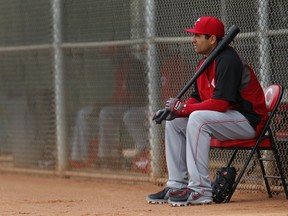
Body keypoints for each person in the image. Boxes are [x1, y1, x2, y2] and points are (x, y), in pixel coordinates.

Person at [147, 16, 269, 206]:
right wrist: (178, 111)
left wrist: (186, 108)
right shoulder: (205, 62)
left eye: (197, 35)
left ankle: (200, 189)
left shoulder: (228, 60)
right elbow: (198, 97)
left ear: (212, 39)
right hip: (227, 119)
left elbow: (220, 104)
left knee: (197, 118)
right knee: (175, 121)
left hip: (249, 121)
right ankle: (177, 184)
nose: (193, 39)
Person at [98, 46, 148, 166]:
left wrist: (114, 103)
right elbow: (118, 96)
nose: (112, 59)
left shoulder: (135, 66)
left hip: (137, 106)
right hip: (125, 106)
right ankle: (106, 156)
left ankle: (145, 151)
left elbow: (136, 99)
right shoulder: (119, 70)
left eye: (114, 55)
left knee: (125, 115)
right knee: (105, 112)